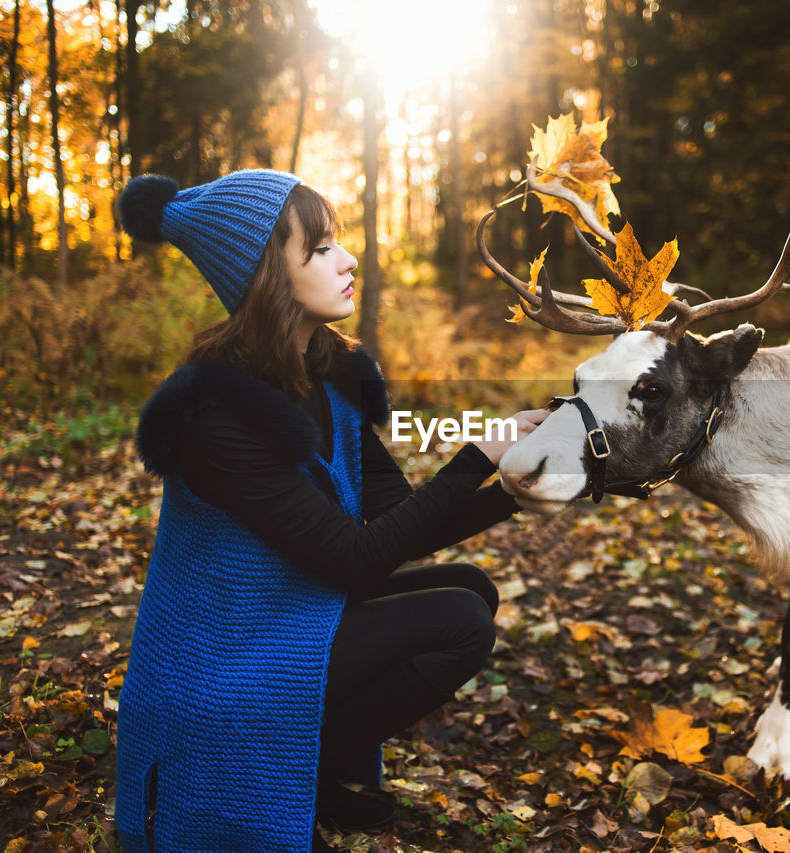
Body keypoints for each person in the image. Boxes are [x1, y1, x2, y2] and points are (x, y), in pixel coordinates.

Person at [112, 169, 547, 853]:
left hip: (283, 617)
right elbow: (355, 558)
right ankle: (263, 774)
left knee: (472, 588)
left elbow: (399, 515)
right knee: (460, 619)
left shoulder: (328, 374)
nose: (346, 260)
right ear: (266, 274)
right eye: (318, 249)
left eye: (337, 243)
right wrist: (475, 456)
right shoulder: (214, 418)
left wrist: (517, 488)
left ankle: (300, 771)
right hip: (220, 666)